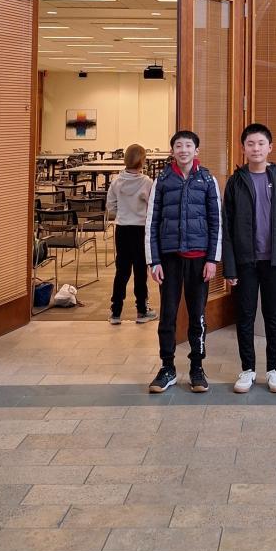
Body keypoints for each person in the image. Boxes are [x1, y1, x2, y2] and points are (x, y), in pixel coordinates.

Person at [222, 123, 276, 394]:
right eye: (250, 144)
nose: (256, 148)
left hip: (275, 261)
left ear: (270, 147)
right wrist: (229, 266)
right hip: (245, 261)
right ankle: (247, 369)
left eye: (260, 143)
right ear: (243, 148)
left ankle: (273, 369)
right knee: (244, 316)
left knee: (273, 316)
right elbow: (227, 227)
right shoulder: (236, 181)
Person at [145, 130, 221, 394]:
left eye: (188, 145)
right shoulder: (162, 180)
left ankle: (197, 367)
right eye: (179, 146)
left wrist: (212, 259)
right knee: (168, 314)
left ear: (196, 151)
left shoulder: (208, 179)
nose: (184, 150)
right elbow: (152, 222)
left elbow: (216, 222)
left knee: (197, 315)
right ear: (172, 151)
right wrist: (153, 261)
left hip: (199, 260)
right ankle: (167, 367)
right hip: (169, 259)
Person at [106, 142, 155, 326]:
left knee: (122, 271)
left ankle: (115, 312)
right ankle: (142, 311)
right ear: (143, 161)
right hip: (140, 230)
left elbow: (110, 206)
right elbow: (153, 206)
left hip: (122, 229)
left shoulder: (116, 181)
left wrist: (123, 212)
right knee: (141, 271)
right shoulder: (147, 182)